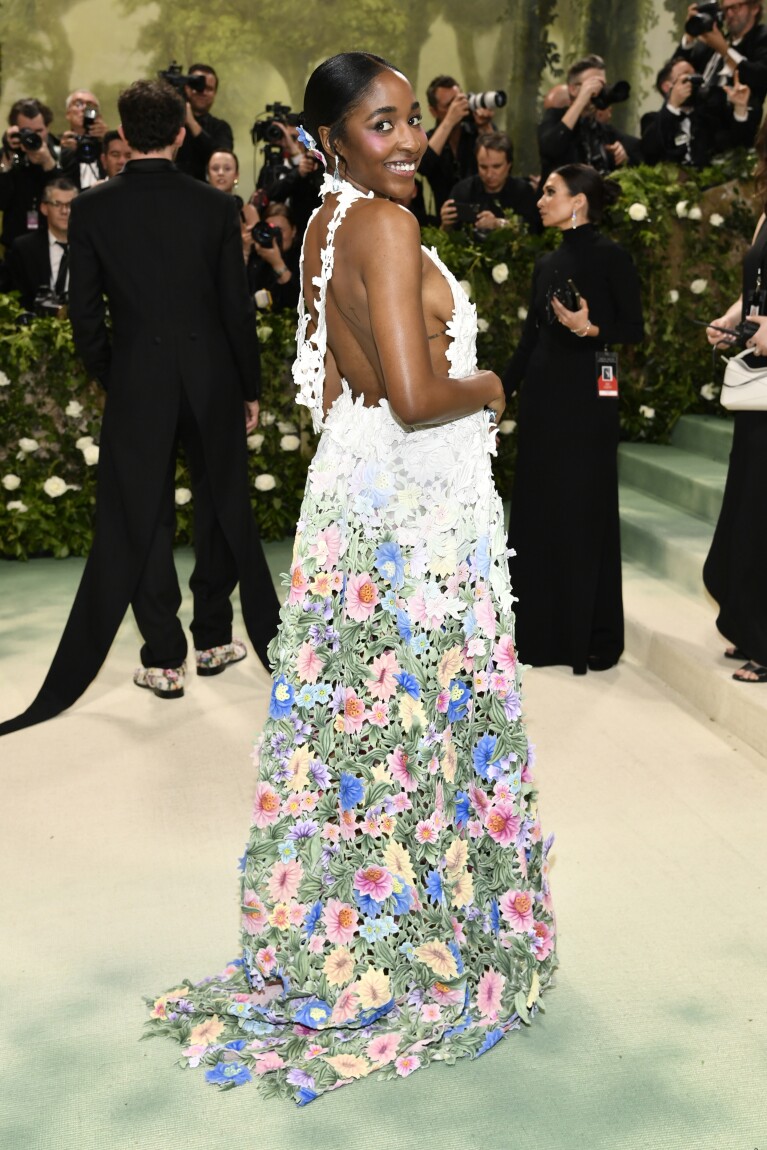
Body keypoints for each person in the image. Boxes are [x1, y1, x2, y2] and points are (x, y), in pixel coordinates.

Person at [145, 51, 556, 1103]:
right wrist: (494, 383)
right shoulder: (385, 223)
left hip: (357, 499)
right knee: (420, 717)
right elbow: (417, 395)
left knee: (365, 726)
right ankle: (421, 939)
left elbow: (344, 387)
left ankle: (357, 932)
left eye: (412, 117)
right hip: (412, 512)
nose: (410, 138)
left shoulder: (328, 223)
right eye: (380, 125)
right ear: (332, 141)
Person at [0, 79, 280, 737]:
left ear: (124, 135)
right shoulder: (214, 205)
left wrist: (111, 374)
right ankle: (213, 639)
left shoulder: (94, 208)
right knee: (219, 503)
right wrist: (248, 385)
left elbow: (86, 314)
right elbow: (235, 308)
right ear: (183, 131)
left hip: (138, 380)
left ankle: (163, 659)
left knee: (141, 513)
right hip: (210, 376)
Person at [504, 164, 644, 675]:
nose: (540, 199)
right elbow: (527, 342)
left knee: (584, 512)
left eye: (550, 191)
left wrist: (591, 328)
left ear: (578, 201)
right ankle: (538, 635)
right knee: (540, 513)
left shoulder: (611, 256)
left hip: (589, 401)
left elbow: (634, 330)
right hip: (542, 404)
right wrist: (499, 393)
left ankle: (591, 636)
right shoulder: (546, 262)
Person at [703, 119, 767, 683]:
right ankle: (749, 623)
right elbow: (754, 288)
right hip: (758, 395)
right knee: (747, 506)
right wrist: (732, 319)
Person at [538, 55, 642, 180]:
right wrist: (582, 99)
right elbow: (550, 148)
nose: (599, 90)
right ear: (573, 89)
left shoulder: (604, 132)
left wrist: (623, 159)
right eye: (594, 84)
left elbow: (640, 156)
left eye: (602, 85)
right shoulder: (555, 116)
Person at [674, 0, 767, 138]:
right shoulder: (714, 40)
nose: (729, 14)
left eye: (735, 8)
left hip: (731, 129)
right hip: (692, 125)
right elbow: (672, 75)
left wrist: (724, 51)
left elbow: (760, 76)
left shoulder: (761, 37)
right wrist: (690, 35)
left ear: (754, 9)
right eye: (725, 9)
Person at [641, 57, 754, 166]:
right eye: (686, 76)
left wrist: (740, 107)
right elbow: (650, 151)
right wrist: (673, 104)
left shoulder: (710, 115)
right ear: (667, 87)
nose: (693, 80)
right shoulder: (652, 120)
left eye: (694, 74)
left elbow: (739, 144)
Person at [440, 130, 541, 234]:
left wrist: (498, 224)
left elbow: (532, 232)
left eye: (496, 167)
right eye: (483, 167)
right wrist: (445, 225)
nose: (489, 174)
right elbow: (445, 238)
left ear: (509, 164)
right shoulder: (462, 191)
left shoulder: (523, 191)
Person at [7, 177, 77, 310]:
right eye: (57, 204)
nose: (64, 211)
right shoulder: (24, 248)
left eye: (70, 205)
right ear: (44, 208)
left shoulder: (91, 247)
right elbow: (15, 297)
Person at [0, 98, 61, 249]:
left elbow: (66, 198)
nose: (33, 137)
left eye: (39, 131)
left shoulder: (62, 154)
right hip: (15, 243)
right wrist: (6, 163)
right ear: (15, 131)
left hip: (54, 243)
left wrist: (48, 163)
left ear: (48, 128)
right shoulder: (7, 156)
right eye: (26, 132)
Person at [417, 75, 479, 212]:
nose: (456, 109)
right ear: (433, 111)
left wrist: (485, 125)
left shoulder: (476, 132)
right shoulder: (430, 139)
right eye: (448, 106)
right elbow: (423, 165)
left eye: (458, 101)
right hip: (446, 219)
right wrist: (450, 121)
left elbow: (501, 156)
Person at [175, 63, 234, 181]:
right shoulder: (171, 124)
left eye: (209, 89)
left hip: (207, 194)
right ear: (187, 88)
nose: (203, 92)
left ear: (215, 94)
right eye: (199, 87)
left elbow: (222, 160)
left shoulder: (221, 128)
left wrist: (192, 123)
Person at [59, 89, 108, 189]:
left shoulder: (107, 142)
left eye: (90, 105)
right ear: (68, 114)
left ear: (99, 115)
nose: (84, 108)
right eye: (78, 104)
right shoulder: (60, 143)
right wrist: (65, 152)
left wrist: (106, 142)